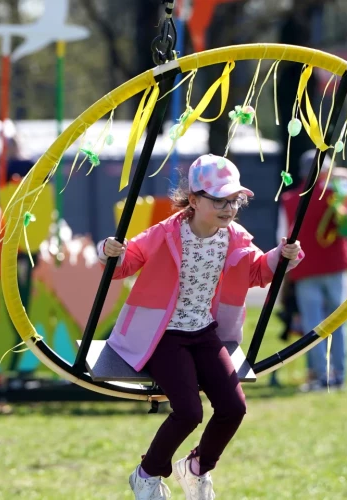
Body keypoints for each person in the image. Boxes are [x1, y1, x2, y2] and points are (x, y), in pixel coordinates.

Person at [97, 154, 303, 500]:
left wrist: (280, 256)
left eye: (234, 200)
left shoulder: (234, 236)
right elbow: (125, 264)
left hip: (204, 331)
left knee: (233, 407)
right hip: (161, 335)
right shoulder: (165, 233)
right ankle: (146, 474)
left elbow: (256, 270)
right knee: (189, 411)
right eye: (218, 200)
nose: (228, 208)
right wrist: (110, 251)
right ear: (193, 200)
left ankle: (196, 468)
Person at [276, 150, 347, 392]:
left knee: (311, 324)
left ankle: (319, 377)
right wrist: (343, 175)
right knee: (338, 321)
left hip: (304, 267)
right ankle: (340, 375)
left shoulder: (289, 199)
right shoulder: (339, 193)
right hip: (335, 264)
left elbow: (282, 235)